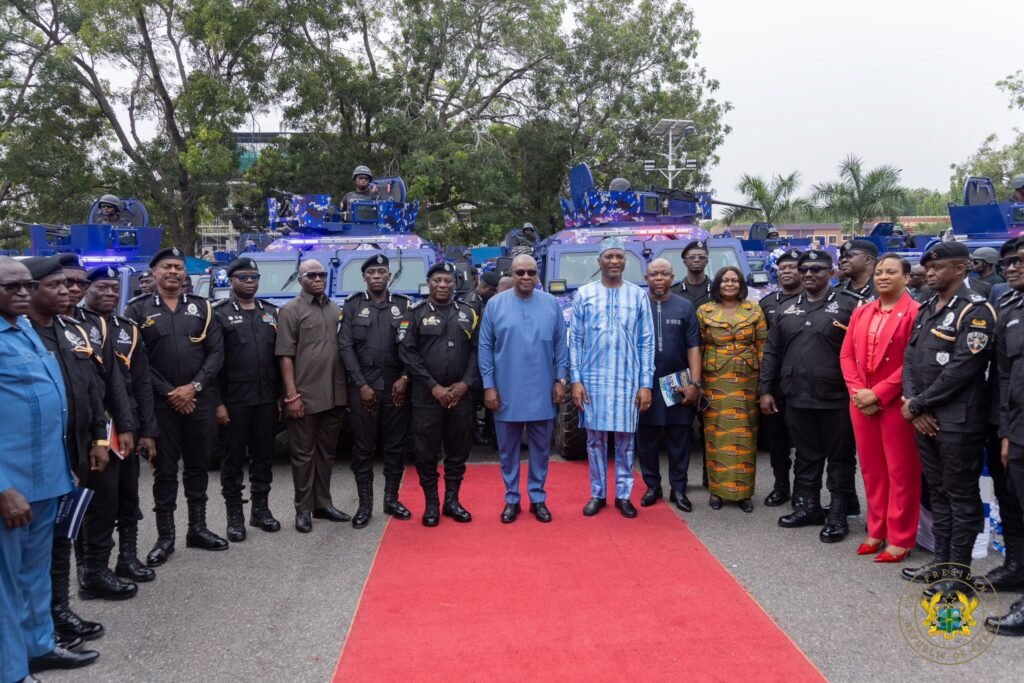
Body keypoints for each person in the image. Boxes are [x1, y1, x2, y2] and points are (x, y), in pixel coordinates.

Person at [0, 257, 98, 682]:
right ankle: (10, 671)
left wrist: (63, 467)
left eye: (28, 285)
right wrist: (2, 487)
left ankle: (38, 646)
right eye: (12, 287)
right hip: (12, 487)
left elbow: (50, 406)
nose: (24, 292)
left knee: (35, 574)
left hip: (47, 478)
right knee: (5, 584)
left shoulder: (25, 330)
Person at [900, 241, 996, 596]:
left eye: (938, 267)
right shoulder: (928, 307)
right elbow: (910, 359)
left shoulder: (976, 310)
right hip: (925, 416)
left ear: (961, 268)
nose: (930, 273)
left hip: (958, 421)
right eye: (928, 267)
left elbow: (962, 368)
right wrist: (914, 404)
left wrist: (919, 404)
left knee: (960, 496)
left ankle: (959, 574)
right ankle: (940, 564)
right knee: (938, 492)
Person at [125, 247, 228, 564]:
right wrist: (172, 393)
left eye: (178, 267)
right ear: (154, 272)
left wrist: (193, 388)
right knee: (165, 471)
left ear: (185, 273)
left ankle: (198, 528)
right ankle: (165, 537)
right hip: (160, 405)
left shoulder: (203, 307)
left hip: (199, 400)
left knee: (198, 466)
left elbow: (216, 354)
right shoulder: (137, 310)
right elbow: (136, 360)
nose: (173, 272)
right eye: (167, 266)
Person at [760, 250, 861, 542]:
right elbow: (772, 352)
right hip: (797, 395)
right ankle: (808, 507)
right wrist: (766, 389)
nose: (808, 274)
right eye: (804, 269)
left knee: (840, 458)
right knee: (805, 455)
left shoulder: (851, 305)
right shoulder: (786, 308)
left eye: (817, 269)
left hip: (836, 397)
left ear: (831, 273)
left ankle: (838, 513)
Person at [78, 266, 158, 587]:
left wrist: (147, 430)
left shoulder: (128, 329)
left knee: (127, 494)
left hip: (127, 423)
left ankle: (127, 557)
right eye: (102, 287)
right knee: (98, 500)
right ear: (86, 289)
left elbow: (142, 382)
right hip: (94, 426)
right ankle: (90, 568)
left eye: (114, 288)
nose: (110, 293)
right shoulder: (75, 325)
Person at [839, 254, 921, 562]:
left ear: (906, 278)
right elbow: (847, 355)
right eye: (879, 272)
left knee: (901, 471)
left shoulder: (916, 312)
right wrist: (859, 392)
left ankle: (900, 537)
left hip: (896, 403)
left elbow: (913, 362)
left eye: (891, 272)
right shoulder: (862, 312)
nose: (883, 277)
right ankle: (876, 530)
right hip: (861, 401)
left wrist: (878, 393)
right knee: (872, 471)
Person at [479, 255, 568, 523]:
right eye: (520, 272)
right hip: (506, 390)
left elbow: (561, 345)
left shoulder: (551, 304)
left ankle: (538, 498)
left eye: (531, 272)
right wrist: (489, 386)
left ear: (538, 274)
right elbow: (485, 347)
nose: (526, 277)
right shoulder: (495, 305)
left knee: (541, 449)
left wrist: (560, 380)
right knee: (508, 451)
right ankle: (512, 499)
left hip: (543, 388)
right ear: (512, 274)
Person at [569, 237, 654, 518]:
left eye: (619, 256)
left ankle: (623, 495)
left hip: (628, 379)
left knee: (626, 441)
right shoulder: (584, 294)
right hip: (593, 379)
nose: (614, 261)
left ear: (625, 261)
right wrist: (576, 380)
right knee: (594, 440)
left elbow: (647, 342)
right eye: (609, 256)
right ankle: (597, 494)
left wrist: (645, 384)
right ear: (600, 261)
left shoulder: (638, 295)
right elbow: (575, 341)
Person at [399, 262, 480, 526]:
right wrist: (433, 386)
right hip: (427, 396)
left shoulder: (468, 313)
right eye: (437, 281)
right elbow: (408, 353)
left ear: (455, 284)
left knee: (458, 450)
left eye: (447, 281)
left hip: (460, 396)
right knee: (426, 452)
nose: (443, 285)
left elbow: (478, 351)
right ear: (429, 283)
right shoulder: (415, 313)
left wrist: (465, 383)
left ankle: (452, 501)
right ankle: (432, 504)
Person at [338, 254, 414, 528]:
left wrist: (405, 377)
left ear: (389, 276)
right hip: (364, 388)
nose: (377, 276)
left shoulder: (404, 305)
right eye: (372, 272)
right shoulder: (353, 305)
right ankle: (365, 506)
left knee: (395, 446)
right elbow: (345, 347)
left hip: (396, 386)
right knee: (363, 448)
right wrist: (361, 385)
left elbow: (413, 346)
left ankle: (391, 500)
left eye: (382, 271)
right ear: (364, 277)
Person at [275, 259, 351, 533]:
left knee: (326, 453)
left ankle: (323, 504)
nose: (318, 279)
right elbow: (285, 355)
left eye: (322, 274)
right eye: (311, 275)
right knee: (303, 455)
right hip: (305, 395)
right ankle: (303, 509)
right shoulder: (291, 310)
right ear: (300, 279)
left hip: (335, 393)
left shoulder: (335, 309)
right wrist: (291, 396)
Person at [212, 257, 282, 542]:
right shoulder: (218, 314)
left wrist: (280, 396)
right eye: (243, 277)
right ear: (231, 281)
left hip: (266, 399)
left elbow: (279, 359)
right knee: (232, 460)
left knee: (264, 457)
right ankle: (235, 516)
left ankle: (260, 510)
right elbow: (213, 363)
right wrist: (217, 403)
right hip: (234, 401)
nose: (250, 282)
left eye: (254, 277)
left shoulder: (271, 313)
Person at [697, 266, 767, 513]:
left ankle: (744, 493)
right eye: (724, 280)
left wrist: (764, 384)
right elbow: (698, 348)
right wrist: (697, 383)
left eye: (734, 280)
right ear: (717, 284)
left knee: (745, 434)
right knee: (716, 434)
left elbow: (763, 346)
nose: (729, 284)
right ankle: (717, 491)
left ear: (741, 284)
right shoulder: (705, 311)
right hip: (715, 380)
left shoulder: (754, 309)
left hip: (747, 379)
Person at [636, 258, 701, 512]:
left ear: (672, 278)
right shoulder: (638, 305)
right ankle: (652, 486)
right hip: (646, 384)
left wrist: (694, 384)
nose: (659, 278)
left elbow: (694, 347)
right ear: (646, 278)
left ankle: (679, 489)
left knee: (679, 440)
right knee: (647, 440)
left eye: (664, 274)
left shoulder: (685, 307)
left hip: (678, 384)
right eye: (654, 274)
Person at [985, 238, 1024, 635]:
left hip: (1019, 424)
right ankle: (1016, 566)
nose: (1011, 268)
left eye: (1019, 261)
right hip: (1006, 420)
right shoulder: (1009, 305)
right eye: (1008, 262)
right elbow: (1003, 373)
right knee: (1010, 498)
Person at [758, 248, 802, 506]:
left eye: (793, 267)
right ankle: (781, 486)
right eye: (782, 267)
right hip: (775, 382)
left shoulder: (814, 300)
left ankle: (804, 492)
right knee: (777, 441)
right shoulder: (767, 303)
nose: (787, 271)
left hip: (804, 382)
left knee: (806, 443)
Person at [672, 239, 712, 308]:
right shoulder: (673, 292)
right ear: (685, 262)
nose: (696, 260)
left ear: (706, 262)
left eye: (701, 257)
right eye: (691, 257)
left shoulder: (717, 290)